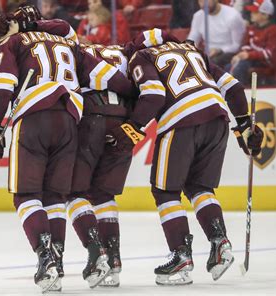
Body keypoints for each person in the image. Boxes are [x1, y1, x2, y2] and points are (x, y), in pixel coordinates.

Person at [0, 10, 136, 291]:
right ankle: (81, 256)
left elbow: (3, 85)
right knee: (55, 196)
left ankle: (47, 261)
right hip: (69, 120)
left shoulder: (15, 42)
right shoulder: (69, 44)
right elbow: (110, 77)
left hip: (34, 117)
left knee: (26, 196)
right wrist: (134, 96)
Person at [109, 32, 264, 285]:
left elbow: (155, 94)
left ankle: (181, 255)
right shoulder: (192, 50)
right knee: (199, 187)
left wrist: (133, 127)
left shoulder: (142, 56)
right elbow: (233, 87)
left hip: (180, 121)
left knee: (165, 192)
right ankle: (220, 243)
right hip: (217, 118)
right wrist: (245, 125)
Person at [230, 0, 276, 85]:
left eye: (255, 12)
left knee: (240, 67)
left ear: (265, 15)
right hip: (252, 61)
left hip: (266, 64)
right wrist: (241, 55)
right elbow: (246, 45)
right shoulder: (252, 28)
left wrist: (249, 55)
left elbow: (270, 54)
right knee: (228, 66)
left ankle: (239, 93)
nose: (251, 14)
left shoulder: (274, 30)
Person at [188, 0, 245, 68]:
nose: (204, 4)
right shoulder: (198, 16)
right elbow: (192, 40)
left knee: (208, 63)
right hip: (208, 53)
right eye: (201, 1)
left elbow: (237, 45)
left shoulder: (233, 16)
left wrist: (219, 50)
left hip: (228, 52)